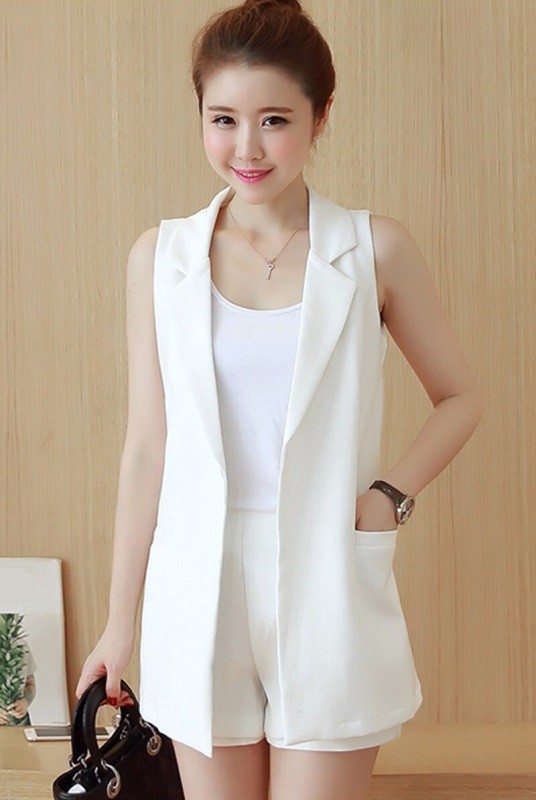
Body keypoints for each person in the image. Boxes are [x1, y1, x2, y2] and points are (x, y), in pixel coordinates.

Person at [75, 0, 483, 797]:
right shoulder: (161, 259)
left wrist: (388, 497)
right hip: (199, 589)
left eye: (274, 120)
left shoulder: (373, 249)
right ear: (200, 116)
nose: (248, 148)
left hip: (330, 578)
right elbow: (147, 447)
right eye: (223, 120)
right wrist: (119, 625)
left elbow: (461, 396)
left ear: (321, 115)